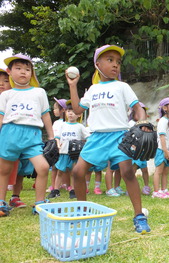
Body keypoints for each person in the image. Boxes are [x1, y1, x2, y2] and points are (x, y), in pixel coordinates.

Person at [66, 44, 151, 234]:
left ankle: (139, 216)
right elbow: (78, 109)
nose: (115, 65)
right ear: (97, 64)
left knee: (128, 172)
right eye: (110, 60)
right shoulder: (93, 89)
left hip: (120, 136)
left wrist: (143, 120)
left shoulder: (122, 86)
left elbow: (137, 107)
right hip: (96, 137)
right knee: (78, 172)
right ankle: (82, 212)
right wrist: (73, 86)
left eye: (118, 62)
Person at [0, 54, 54, 216]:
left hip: (32, 135)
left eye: (27, 69)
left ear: (32, 73)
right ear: (9, 71)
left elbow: (45, 115)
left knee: (43, 167)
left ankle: (39, 204)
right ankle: (1, 203)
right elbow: (1, 117)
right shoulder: (6, 95)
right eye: (18, 68)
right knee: (4, 170)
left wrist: (52, 137)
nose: (23, 72)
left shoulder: (39, 92)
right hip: (10, 133)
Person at [47, 100, 90, 199]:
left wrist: (84, 147)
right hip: (63, 152)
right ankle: (56, 190)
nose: (70, 113)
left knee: (74, 173)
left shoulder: (80, 127)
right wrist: (58, 145)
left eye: (73, 111)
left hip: (75, 154)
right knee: (60, 171)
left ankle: (73, 190)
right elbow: (57, 137)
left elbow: (88, 138)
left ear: (79, 115)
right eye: (68, 111)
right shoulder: (62, 125)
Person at [152, 97, 169, 199]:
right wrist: (165, 150)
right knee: (159, 170)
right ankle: (156, 191)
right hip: (162, 150)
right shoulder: (162, 121)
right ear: (165, 108)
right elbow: (162, 136)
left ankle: (164, 189)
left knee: (166, 171)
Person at [129, 102, 151, 195]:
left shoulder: (145, 124)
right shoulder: (131, 124)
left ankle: (146, 187)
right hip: (134, 151)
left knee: (144, 169)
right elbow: (128, 136)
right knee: (133, 169)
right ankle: (130, 188)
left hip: (143, 151)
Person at [46, 97, 68, 193]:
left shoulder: (66, 123)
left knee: (66, 168)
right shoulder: (56, 123)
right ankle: (53, 185)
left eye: (55, 108)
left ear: (62, 110)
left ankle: (66, 184)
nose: (53, 110)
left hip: (65, 148)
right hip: (56, 147)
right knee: (54, 167)